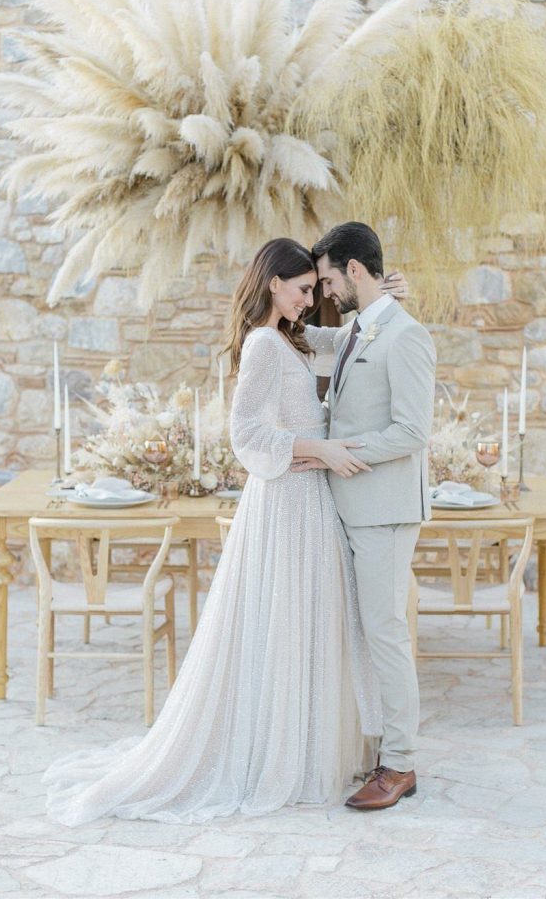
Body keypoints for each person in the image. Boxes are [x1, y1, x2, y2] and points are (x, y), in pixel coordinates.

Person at [43, 237, 408, 825]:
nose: (313, 300)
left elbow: (346, 343)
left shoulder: (289, 339)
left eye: (317, 289)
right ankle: (273, 754)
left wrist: (381, 302)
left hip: (306, 502)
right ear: (274, 283)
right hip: (287, 502)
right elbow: (246, 436)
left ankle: (301, 747)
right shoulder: (265, 344)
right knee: (284, 622)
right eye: (304, 289)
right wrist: (322, 448)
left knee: (304, 622)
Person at [295, 222, 436, 811]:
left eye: (327, 280)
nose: (324, 293)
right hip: (351, 504)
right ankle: (372, 746)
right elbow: (320, 342)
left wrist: (342, 455)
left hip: (383, 508)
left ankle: (400, 764)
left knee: (385, 633)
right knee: (365, 632)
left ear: (354, 272)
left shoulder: (405, 336)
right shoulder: (358, 327)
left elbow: (412, 431)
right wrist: (271, 308)